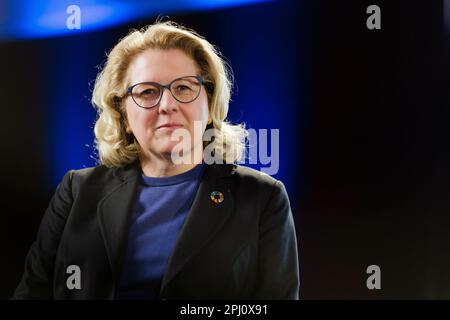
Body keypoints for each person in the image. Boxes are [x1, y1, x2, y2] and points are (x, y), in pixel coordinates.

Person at [12, 21, 300, 300]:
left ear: (210, 104)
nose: (167, 105)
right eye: (147, 92)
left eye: (184, 88)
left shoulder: (263, 198)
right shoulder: (76, 191)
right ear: (123, 114)